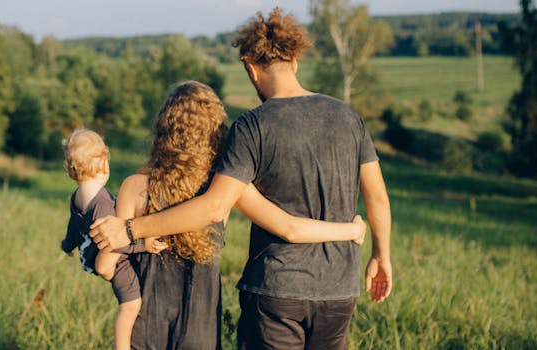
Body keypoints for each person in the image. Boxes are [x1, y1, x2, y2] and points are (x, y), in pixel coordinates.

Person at [90, 7, 392, 350]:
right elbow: (378, 198)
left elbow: (216, 207)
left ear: (251, 67)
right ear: (294, 61)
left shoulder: (253, 126)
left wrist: (130, 230)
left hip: (276, 289)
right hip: (340, 288)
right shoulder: (348, 117)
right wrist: (379, 253)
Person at [113, 80, 367, 349]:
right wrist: (350, 230)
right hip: (202, 334)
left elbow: (108, 266)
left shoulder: (134, 187)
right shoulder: (225, 189)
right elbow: (289, 227)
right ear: (215, 130)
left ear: (163, 128)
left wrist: (133, 238)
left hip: (142, 329)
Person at [59, 128, 167, 350]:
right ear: (103, 164)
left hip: (91, 254)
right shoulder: (103, 205)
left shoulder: (77, 197)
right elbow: (116, 240)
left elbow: (73, 224)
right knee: (130, 306)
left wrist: (67, 244)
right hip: (116, 264)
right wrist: (143, 244)